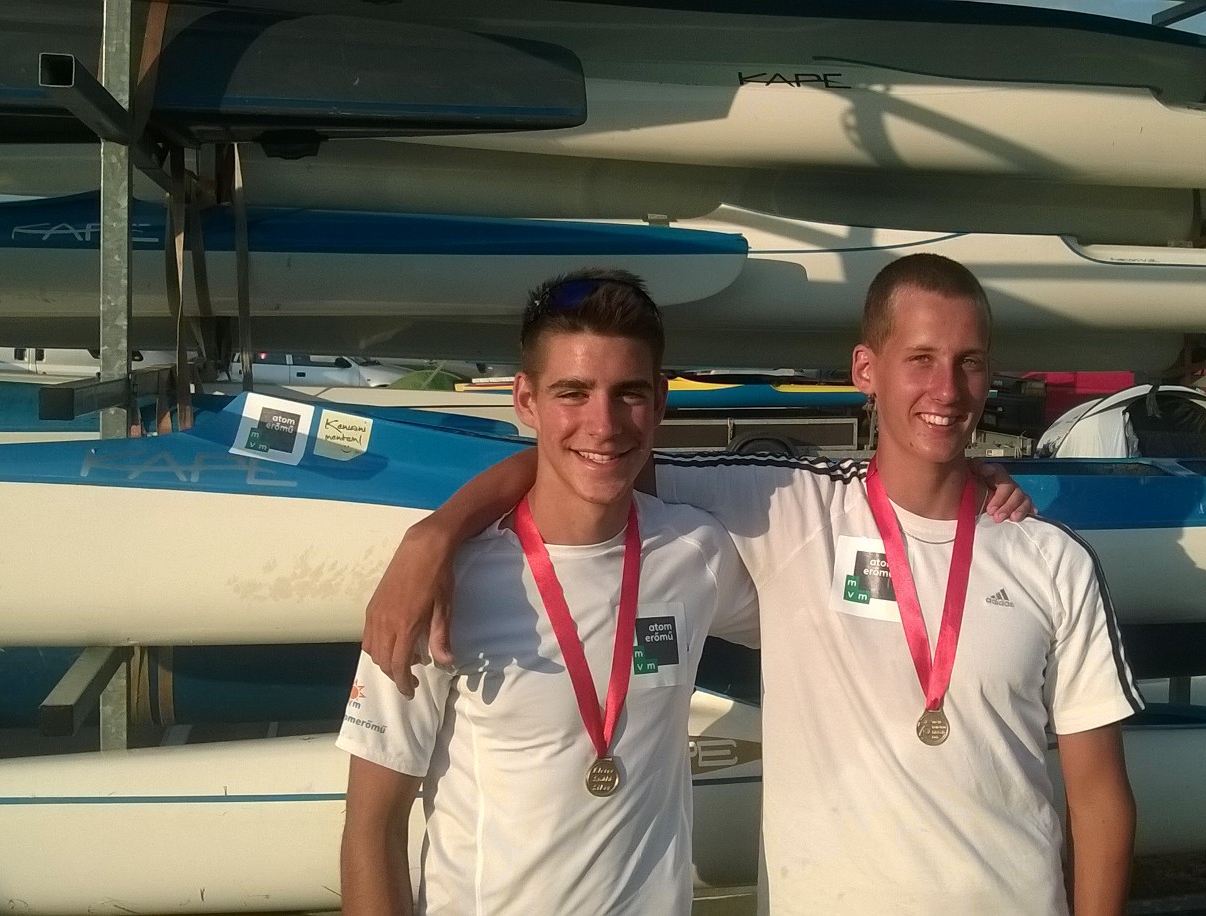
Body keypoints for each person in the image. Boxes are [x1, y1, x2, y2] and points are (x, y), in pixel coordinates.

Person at [363, 254, 1140, 915]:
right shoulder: (789, 507)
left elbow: (1100, 800)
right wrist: (438, 533)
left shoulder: (1052, 560)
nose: (946, 388)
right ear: (865, 371)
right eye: (921, 359)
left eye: (968, 362)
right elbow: (591, 461)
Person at [337, 270, 761, 915]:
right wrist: (437, 534)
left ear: (660, 401)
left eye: (629, 393)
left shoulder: (696, 552)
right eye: (573, 393)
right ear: (526, 400)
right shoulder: (443, 586)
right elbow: (373, 828)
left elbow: (832, 613)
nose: (603, 424)